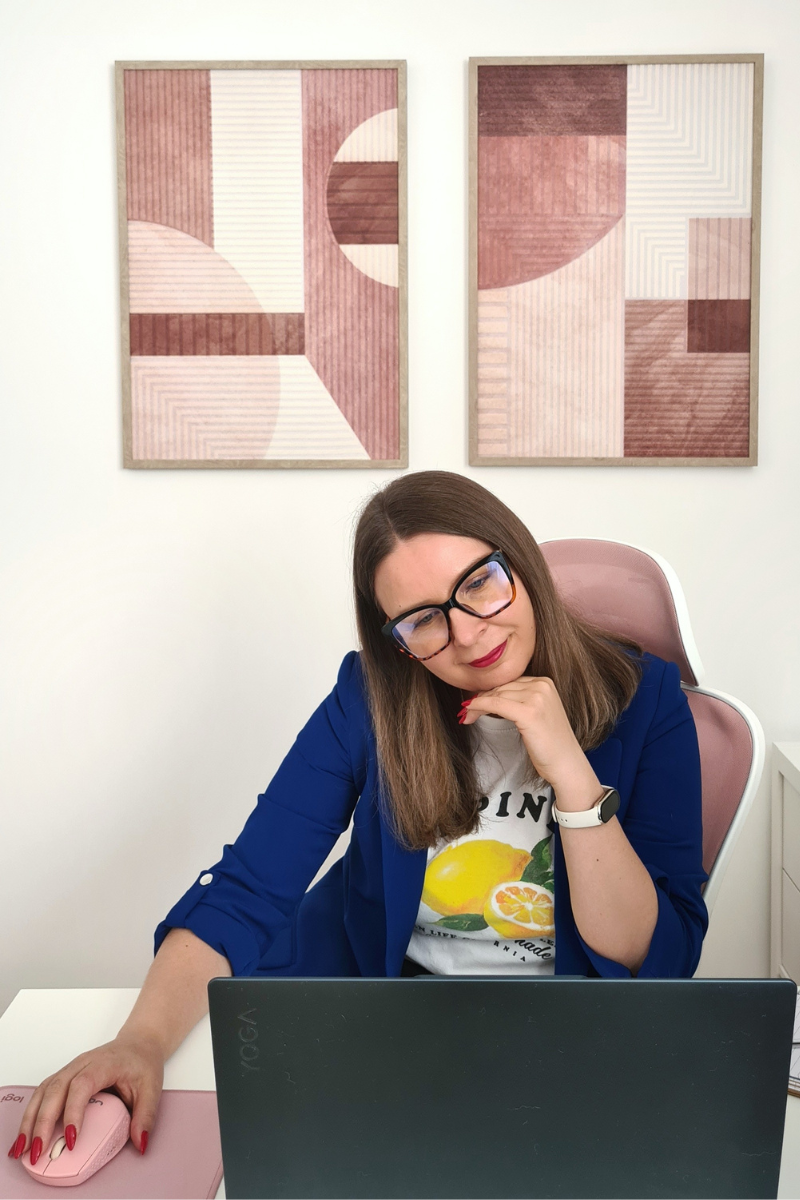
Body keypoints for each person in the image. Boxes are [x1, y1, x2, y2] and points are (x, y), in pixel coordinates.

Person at [9, 470, 708, 1167]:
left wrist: (574, 779)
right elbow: (250, 887)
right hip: (387, 1031)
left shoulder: (646, 700)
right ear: (397, 641)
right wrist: (140, 1041)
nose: (468, 634)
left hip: (574, 1048)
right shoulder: (371, 700)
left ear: (519, 563)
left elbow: (657, 955)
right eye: (424, 620)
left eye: (478, 583)